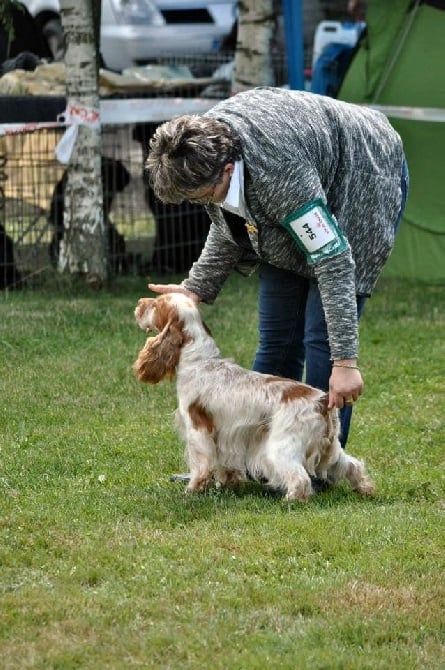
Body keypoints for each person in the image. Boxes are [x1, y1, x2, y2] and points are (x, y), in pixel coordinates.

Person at [145, 86, 409, 451]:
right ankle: (264, 458)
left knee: (321, 342)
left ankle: (318, 461)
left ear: (226, 169)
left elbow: (332, 259)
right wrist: (195, 289)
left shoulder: (278, 173)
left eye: (204, 195)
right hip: (299, 170)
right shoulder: (204, 144)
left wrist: (345, 362)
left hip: (365, 173)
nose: (204, 203)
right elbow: (229, 224)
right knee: (276, 341)